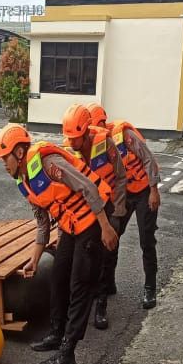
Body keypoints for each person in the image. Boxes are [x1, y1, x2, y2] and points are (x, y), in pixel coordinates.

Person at [0, 123, 118, 364]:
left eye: (4, 158)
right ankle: (56, 332)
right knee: (58, 276)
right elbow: (42, 223)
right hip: (72, 227)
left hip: (94, 220)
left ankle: (68, 353)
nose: (3, 164)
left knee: (79, 285)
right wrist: (34, 259)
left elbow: (88, 187)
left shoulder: (49, 163)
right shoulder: (24, 180)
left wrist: (106, 227)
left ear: (19, 153)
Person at [86, 103, 162, 312]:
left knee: (146, 240)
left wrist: (154, 190)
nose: (98, 129)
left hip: (145, 190)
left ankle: (150, 288)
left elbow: (148, 159)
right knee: (113, 235)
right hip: (124, 193)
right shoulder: (97, 143)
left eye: (99, 124)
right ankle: (108, 284)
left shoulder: (123, 133)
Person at [61, 103, 127, 330]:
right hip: (83, 213)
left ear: (86, 131)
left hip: (108, 209)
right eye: (68, 138)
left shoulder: (105, 143)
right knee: (81, 261)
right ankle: (80, 304)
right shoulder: (68, 149)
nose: (71, 143)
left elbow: (120, 176)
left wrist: (117, 211)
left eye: (75, 138)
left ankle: (101, 305)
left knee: (105, 259)